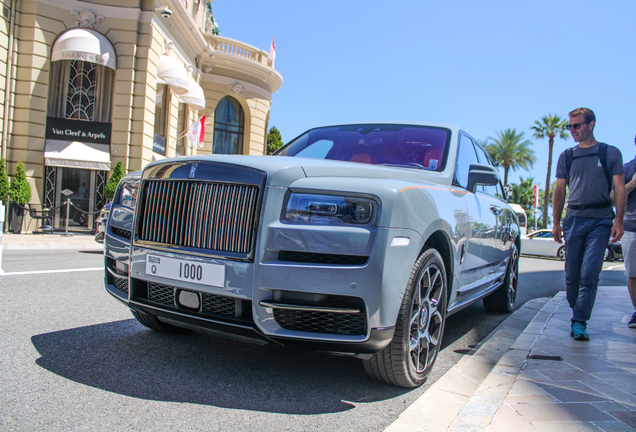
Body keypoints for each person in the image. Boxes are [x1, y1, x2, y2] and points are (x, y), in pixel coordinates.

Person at [552, 107, 626, 341]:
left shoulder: (609, 153)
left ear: (591, 125)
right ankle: (577, 310)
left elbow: (620, 188)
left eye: (577, 125)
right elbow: (560, 190)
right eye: (570, 126)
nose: (572, 130)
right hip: (573, 218)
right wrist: (556, 222)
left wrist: (619, 220)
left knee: (590, 273)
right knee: (572, 276)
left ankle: (580, 321)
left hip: (601, 219)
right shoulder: (567, 156)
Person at [614, 133, 636, 328]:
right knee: (633, 274)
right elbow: (612, 197)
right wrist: (633, 183)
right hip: (632, 229)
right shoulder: (627, 169)